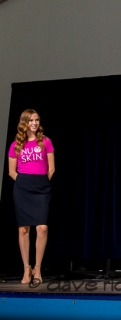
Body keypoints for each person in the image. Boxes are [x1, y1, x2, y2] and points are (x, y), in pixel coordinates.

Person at [8, 110, 55, 284]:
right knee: (23, 229)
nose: (34, 123)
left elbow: (51, 168)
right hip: (22, 189)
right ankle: (26, 269)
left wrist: (42, 183)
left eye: (37, 120)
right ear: (24, 123)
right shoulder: (16, 145)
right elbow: (12, 171)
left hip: (41, 188)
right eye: (31, 120)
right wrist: (24, 183)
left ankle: (38, 269)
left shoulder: (46, 142)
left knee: (42, 228)